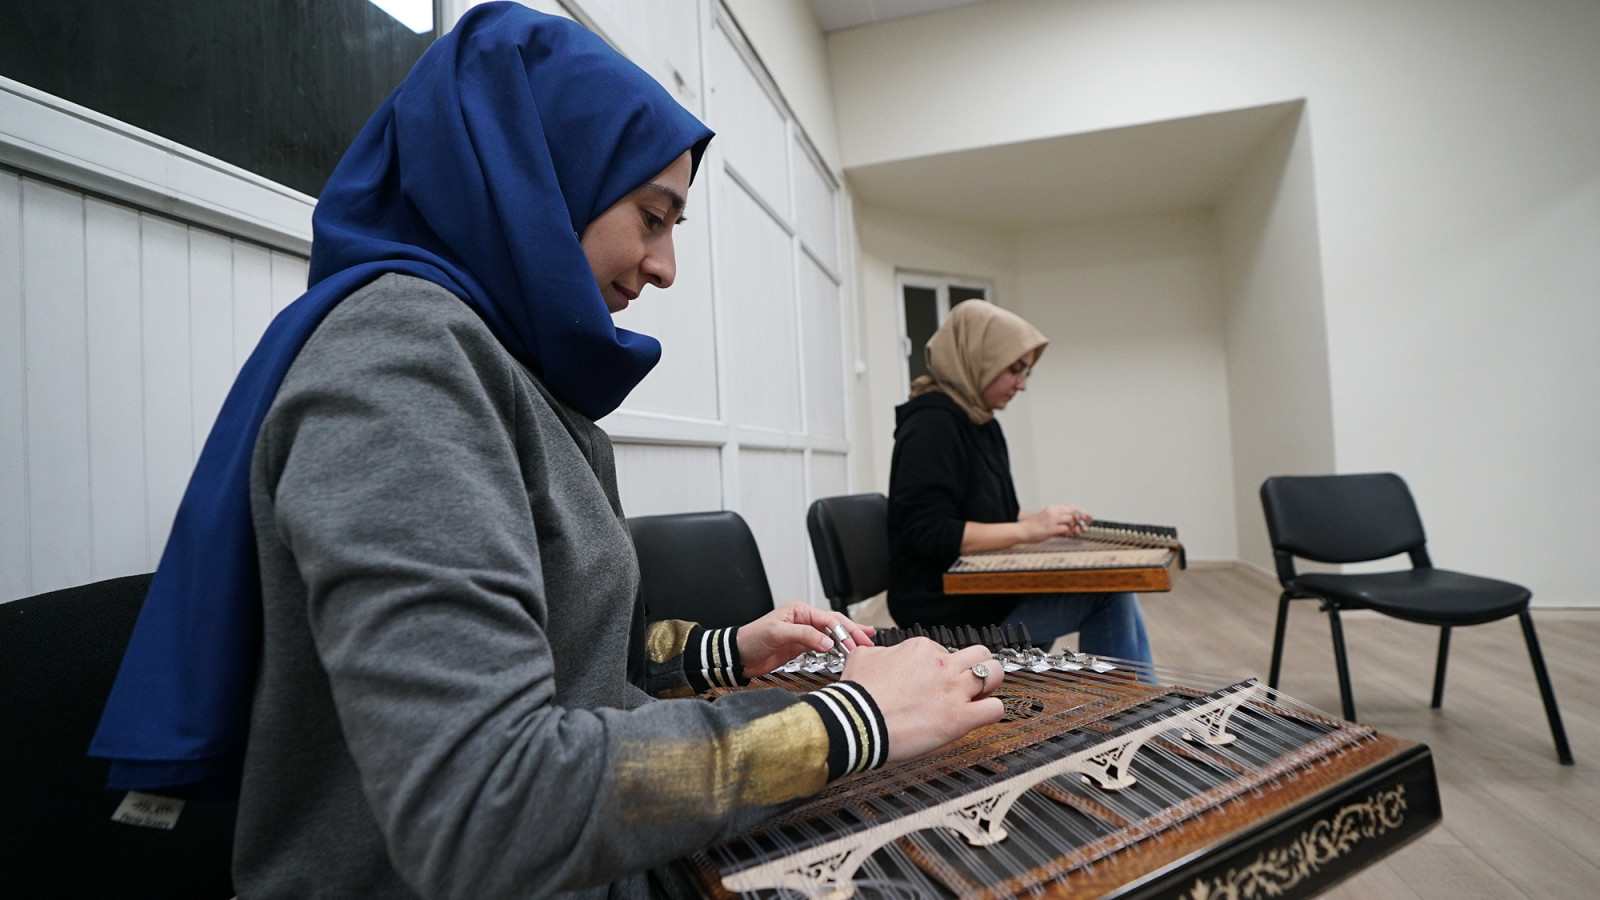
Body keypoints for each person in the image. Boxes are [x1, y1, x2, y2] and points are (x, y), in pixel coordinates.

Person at [89, 6, 1003, 899]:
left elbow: (568, 653)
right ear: (538, 177)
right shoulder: (403, 366)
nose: (666, 267)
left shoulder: (508, 368)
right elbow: (486, 804)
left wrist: (725, 650)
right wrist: (847, 722)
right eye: (653, 217)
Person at [886, 298, 1153, 665]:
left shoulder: (983, 424)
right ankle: (1134, 702)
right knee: (1108, 593)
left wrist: (1047, 523)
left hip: (987, 598)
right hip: (947, 613)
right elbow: (931, 533)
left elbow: (996, 513)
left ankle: (1145, 700)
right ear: (979, 359)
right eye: (1014, 369)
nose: (1022, 385)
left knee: (1115, 583)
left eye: (1026, 372)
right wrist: (1030, 529)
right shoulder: (930, 426)